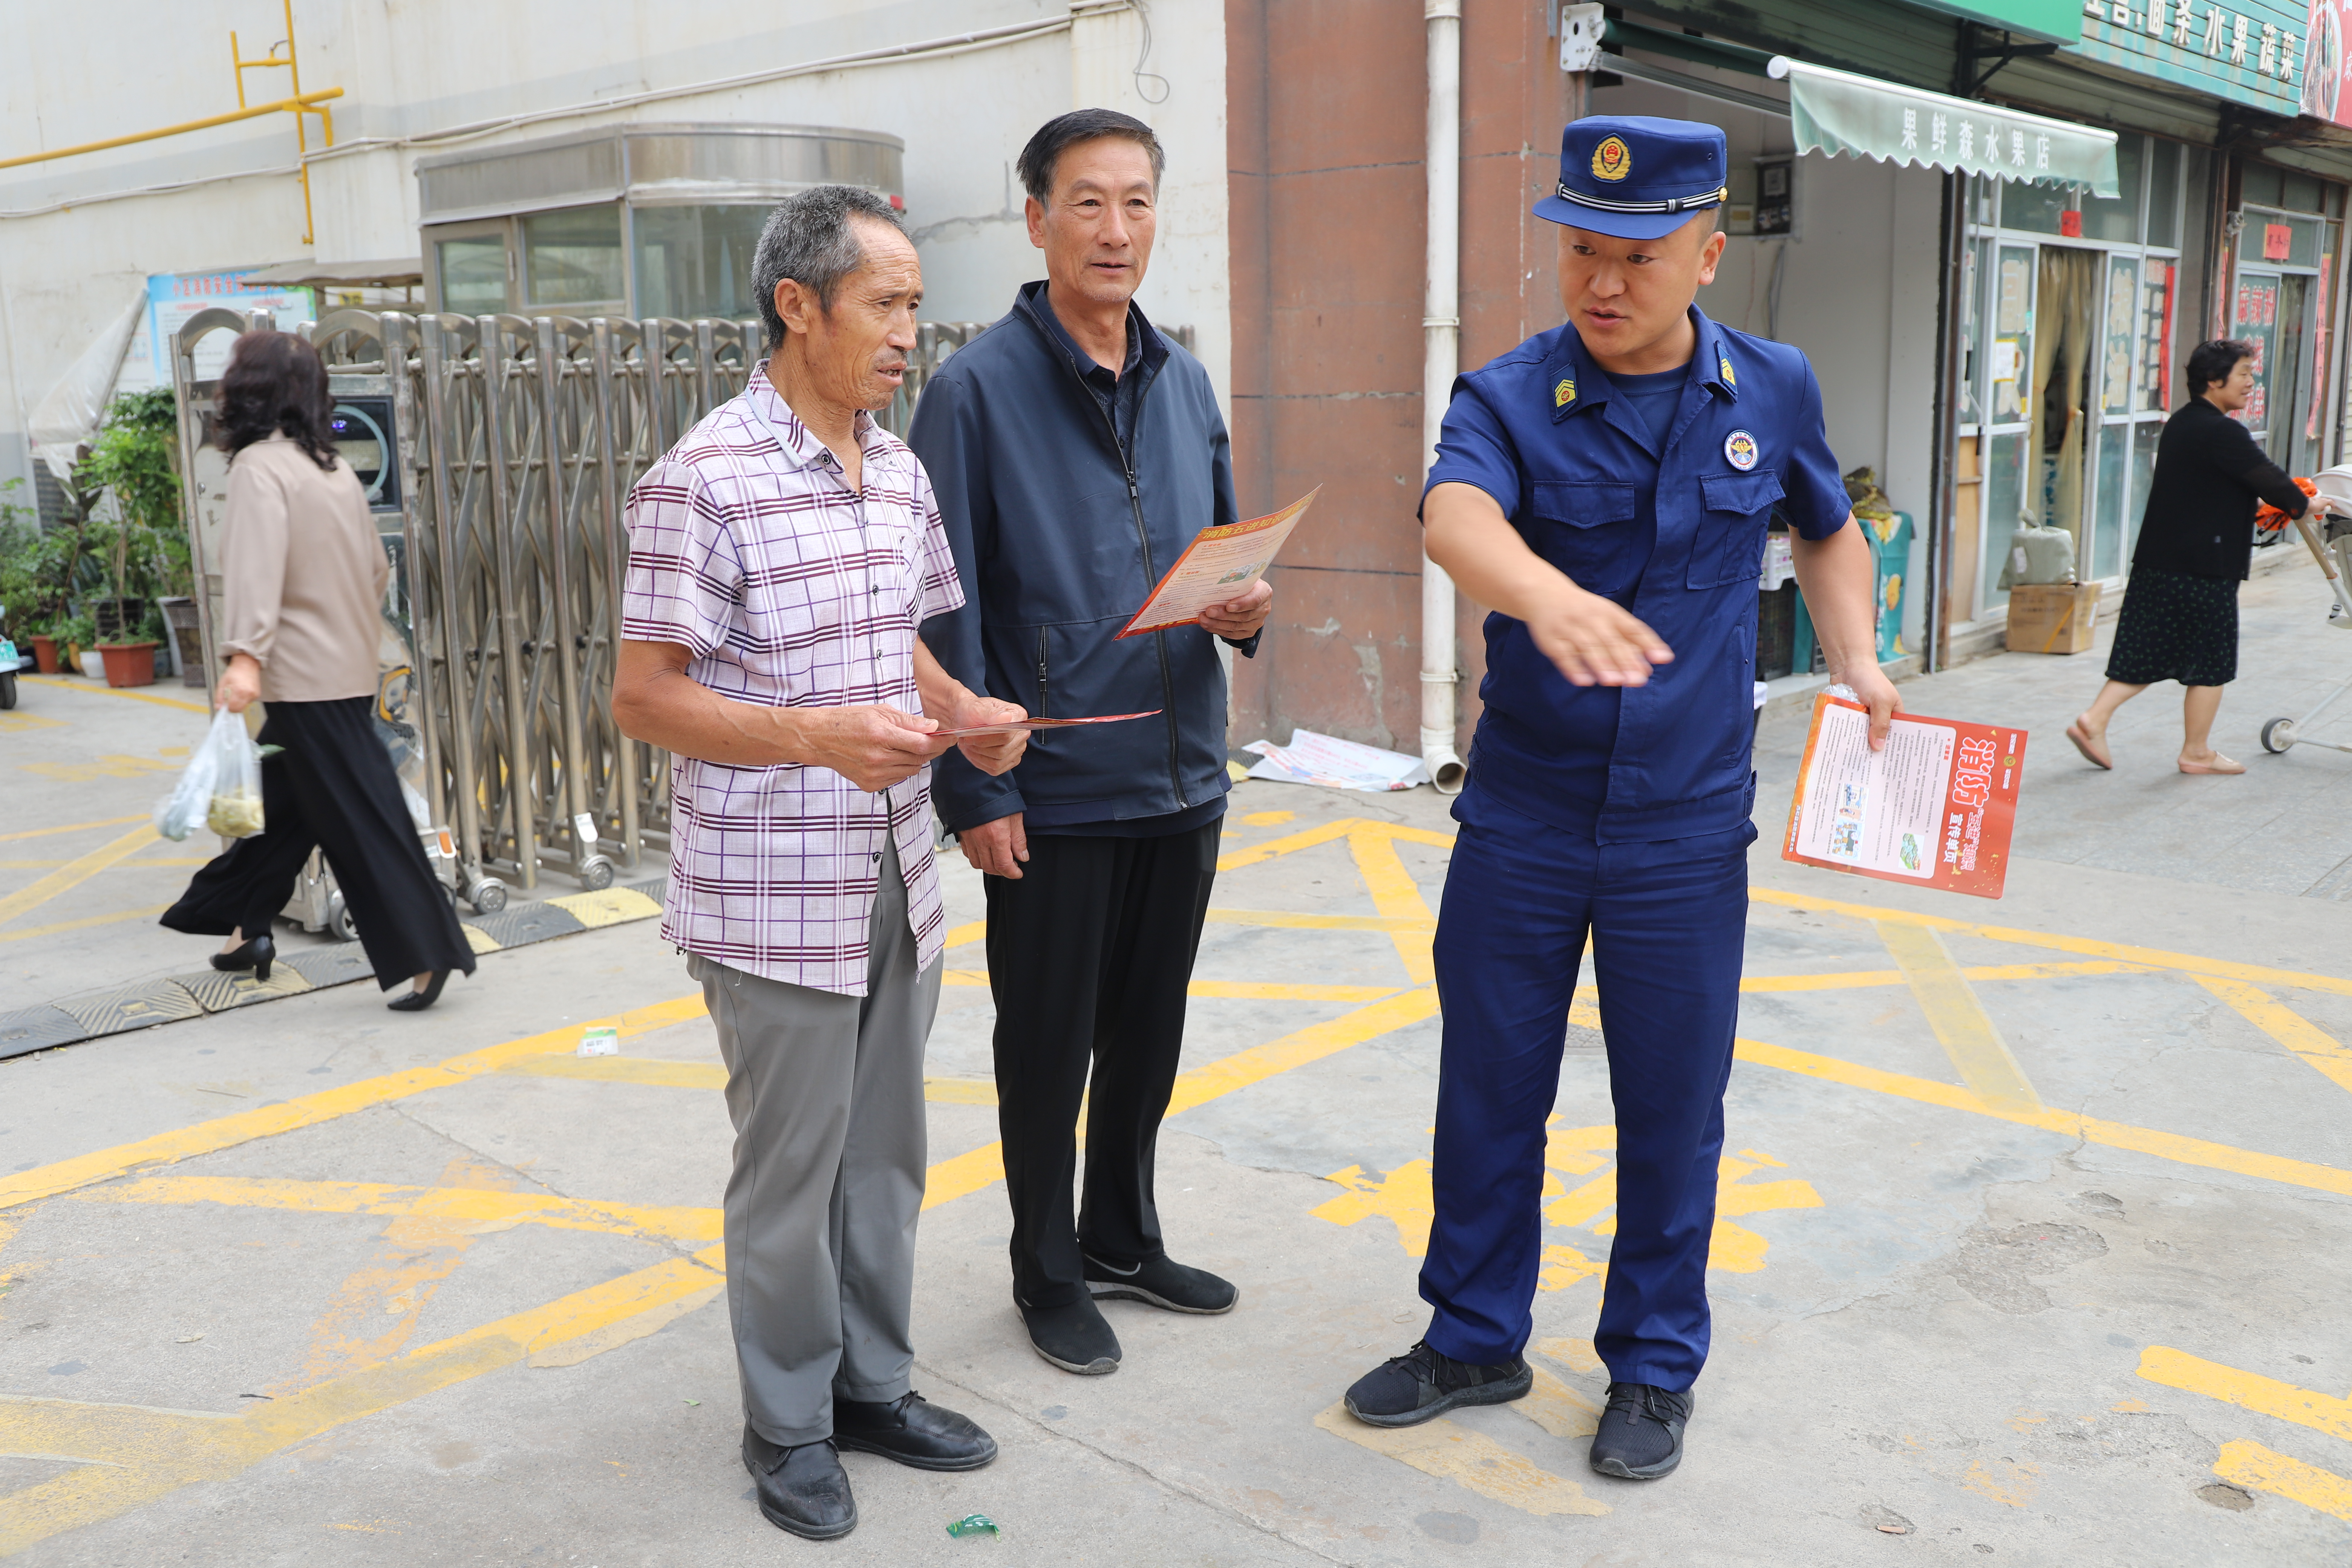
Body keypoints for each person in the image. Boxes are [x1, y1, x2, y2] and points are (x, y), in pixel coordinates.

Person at [1337, 116, 1900, 1482]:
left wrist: (1856, 654)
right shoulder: (1509, 394)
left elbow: (1824, 523)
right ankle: (1473, 1334)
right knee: (1488, 1093)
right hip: (1521, 821)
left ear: (1705, 253)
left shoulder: (1771, 387)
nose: (1601, 280)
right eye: (1581, 250)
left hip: (1682, 832)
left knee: (1668, 1107)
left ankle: (1650, 1366)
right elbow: (1455, 515)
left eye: (1637, 256)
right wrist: (1543, 592)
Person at [611, 184, 1027, 1543]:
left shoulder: (896, 470)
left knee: (886, 1159)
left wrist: (960, 712)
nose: (913, 330)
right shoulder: (702, 482)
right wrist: (808, 737)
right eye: (889, 303)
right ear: (800, 306)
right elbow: (643, 695)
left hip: (897, 869)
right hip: (769, 889)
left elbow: (895, 645)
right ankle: (786, 1422)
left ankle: (873, 1387)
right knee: (791, 1172)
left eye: (916, 304)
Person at [908, 109, 1273, 1378]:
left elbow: (1222, 550)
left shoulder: (1183, 379)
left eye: (1136, 202)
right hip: (1049, 785)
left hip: (1182, 767)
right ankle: (1046, 1267)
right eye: (1087, 203)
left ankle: (1122, 1235)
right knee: (1047, 1045)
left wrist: (1248, 611)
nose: (1116, 230)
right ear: (1037, 220)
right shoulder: (973, 392)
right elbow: (938, 604)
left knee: (1149, 1033)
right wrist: (970, 785)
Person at [161, 330, 474, 1011]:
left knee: (366, 818)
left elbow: (254, 566)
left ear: (247, 390)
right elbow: (374, 571)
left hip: (301, 678)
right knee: (287, 810)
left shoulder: (258, 468)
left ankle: (427, 949)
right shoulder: (329, 466)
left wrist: (246, 655)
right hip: (346, 667)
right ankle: (246, 928)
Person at [2066, 338, 2323, 775]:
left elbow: (2215, 486)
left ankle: (2095, 719)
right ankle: (2197, 752)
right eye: (2243, 373)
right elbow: (2270, 479)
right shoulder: (2223, 431)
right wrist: (2306, 504)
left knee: (2148, 648)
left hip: (2159, 561)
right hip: (2203, 567)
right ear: (2213, 379)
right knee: (2211, 661)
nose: (2250, 382)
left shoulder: (2183, 424)